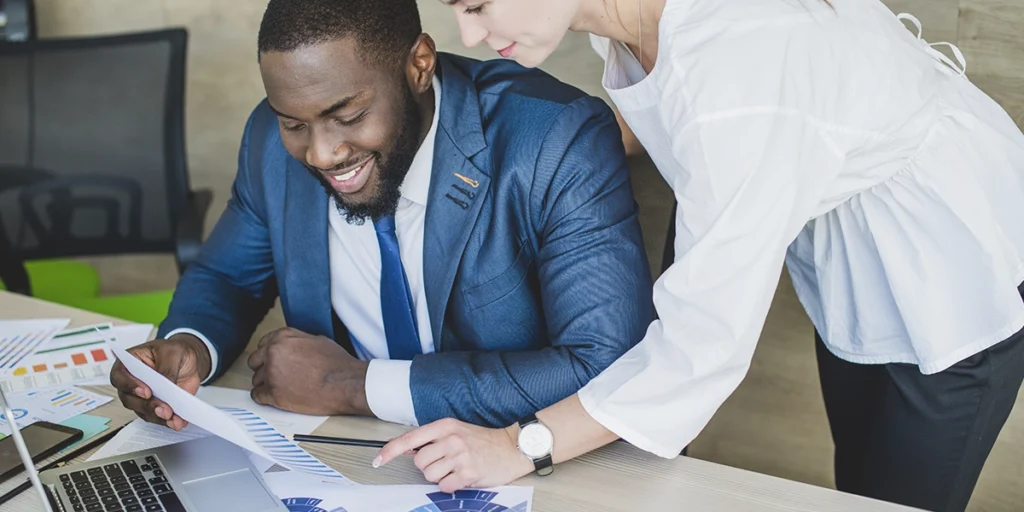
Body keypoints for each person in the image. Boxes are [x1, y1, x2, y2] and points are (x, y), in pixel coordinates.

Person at [377, 1, 1024, 510]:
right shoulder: (630, 21)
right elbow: (681, 112)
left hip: (958, 267)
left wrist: (519, 446)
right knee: (855, 490)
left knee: (891, 501)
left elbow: (701, 350)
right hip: (850, 263)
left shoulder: (737, 81)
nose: (467, 30)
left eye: (480, 3)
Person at [108, 0, 654, 434]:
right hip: (346, 455)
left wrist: (353, 385)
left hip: (521, 456)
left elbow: (603, 363)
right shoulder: (269, 141)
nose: (320, 153)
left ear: (419, 64)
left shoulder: (555, 139)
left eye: (347, 116)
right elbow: (227, 277)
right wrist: (188, 346)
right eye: (293, 124)